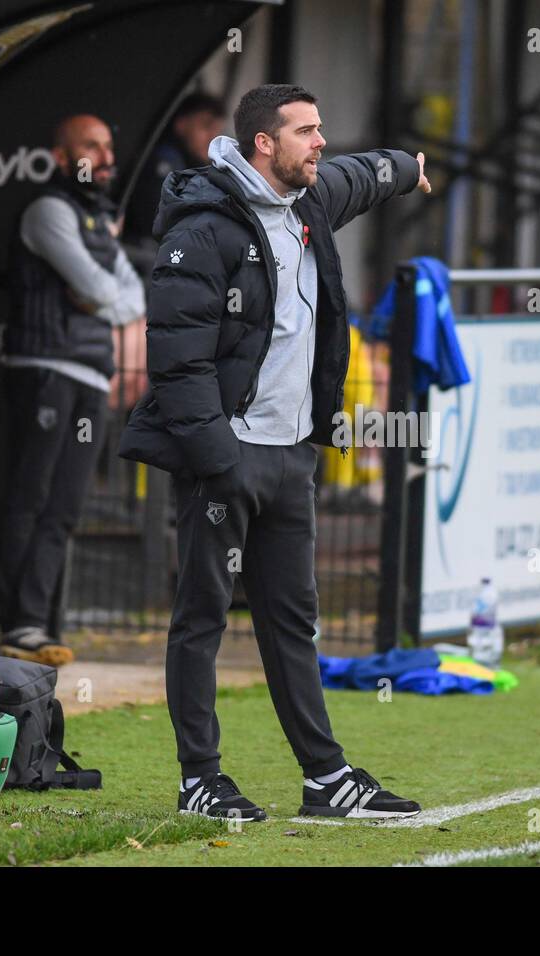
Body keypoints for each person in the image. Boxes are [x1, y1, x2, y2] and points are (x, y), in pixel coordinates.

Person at [119, 83, 432, 821]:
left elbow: (363, 174)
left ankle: (325, 779)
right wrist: (219, 459)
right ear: (265, 144)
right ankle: (200, 780)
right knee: (201, 618)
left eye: (320, 129)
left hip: (293, 461)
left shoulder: (311, 198)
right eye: (307, 131)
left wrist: (405, 165)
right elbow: (177, 360)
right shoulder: (202, 229)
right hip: (226, 460)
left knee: (294, 622)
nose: (321, 143)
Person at [1, 114, 146, 665]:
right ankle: (16, 620)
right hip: (44, 366)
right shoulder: (49, 210)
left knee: (63, 507)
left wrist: (101, 299)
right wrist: (99, 298)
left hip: (90, 374)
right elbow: (98, 289)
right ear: (62, 157)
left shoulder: (101, 217)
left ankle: (36, 621)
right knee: (29, 497)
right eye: (91, 146)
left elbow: (128, 300)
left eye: (109, 146)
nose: (105, 156)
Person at [124, 91, 226, 242]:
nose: (213, 137)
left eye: (218, 131)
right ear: (181, 124)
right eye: (206, 126)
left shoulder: (199, 169)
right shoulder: (165, 161)